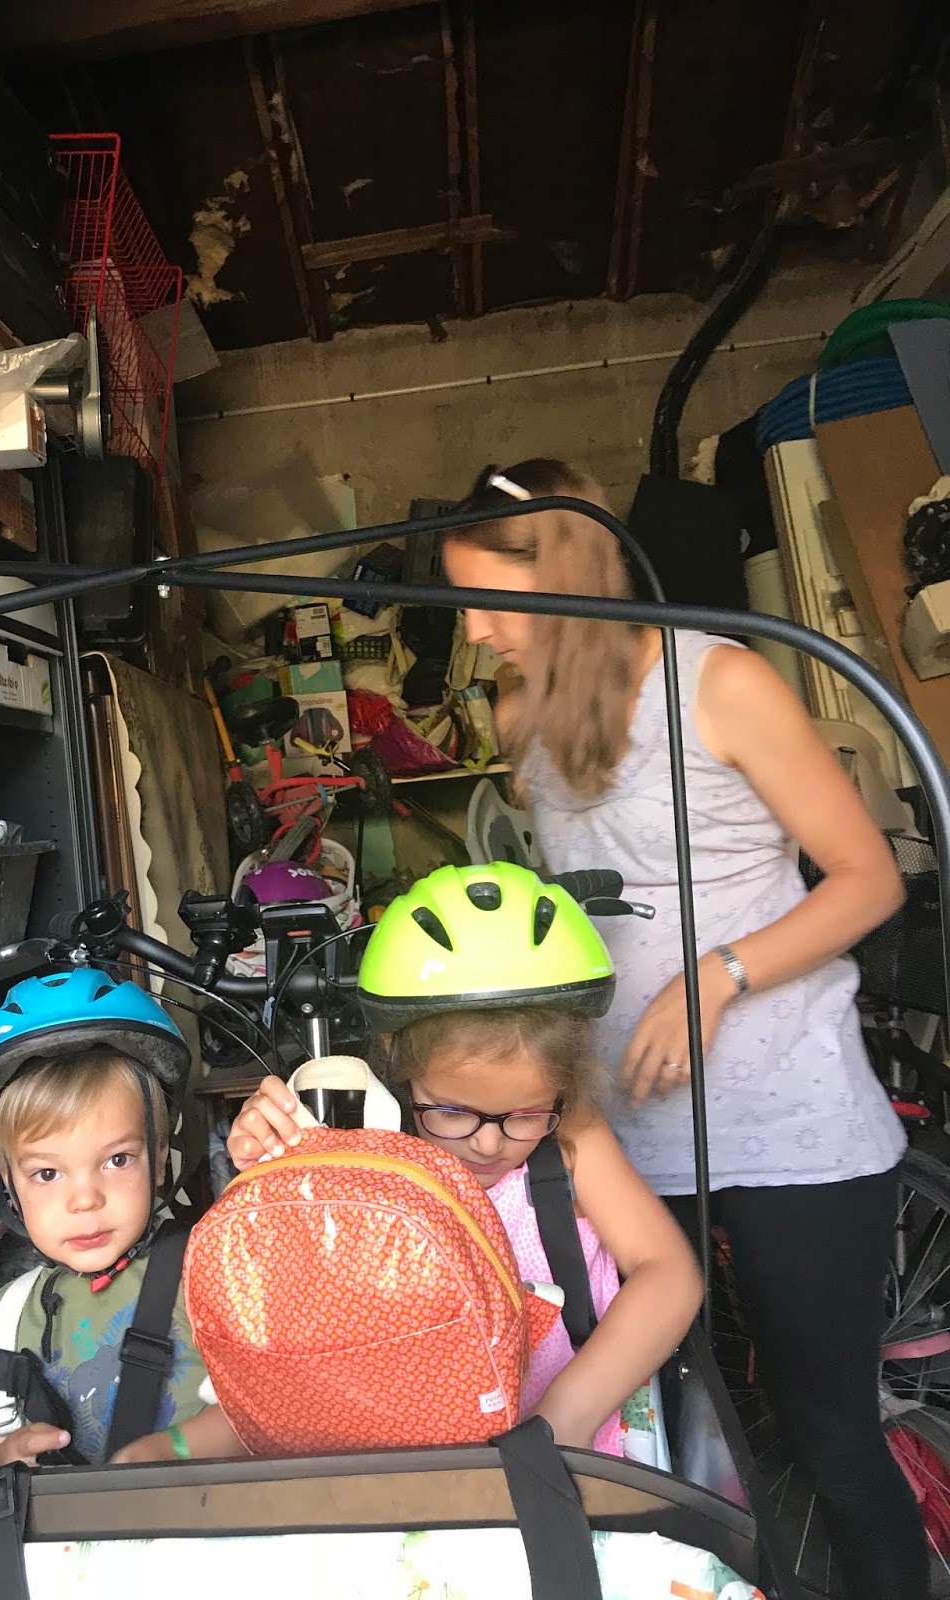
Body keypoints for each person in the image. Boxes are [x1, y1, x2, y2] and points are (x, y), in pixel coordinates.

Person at [435, 458, 923, 1600]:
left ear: (564, 568)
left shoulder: (721, 679)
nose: (473, 630)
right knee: (670, 1426)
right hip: (631, 1126)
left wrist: (718, 975)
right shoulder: (520, 713)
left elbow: (868, 879)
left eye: (488, 599)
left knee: (827, 1432)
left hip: (792, 1118)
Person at [227, 862, 704, 1458]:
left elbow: (669, 1274)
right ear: (395, 1059)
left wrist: (563, 1417)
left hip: (571, 1447)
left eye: (525, 1114)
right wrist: (270, 1165)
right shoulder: (363, 1144)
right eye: (452, 1111)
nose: (488, 1144)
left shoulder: (572, 1133)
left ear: (565, 1084)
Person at [0, 969, 244, 1476]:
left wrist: (170, 1449)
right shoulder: (10, 1316)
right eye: (46, 1173)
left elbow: (264, 1417)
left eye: (116, 1160)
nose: (85, 1200)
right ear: (9, 1183)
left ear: (158, 1157)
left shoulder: (212, 1273)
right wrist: (4, 1460)